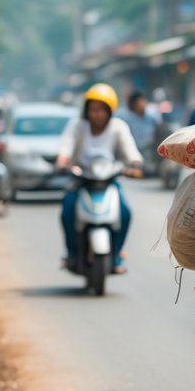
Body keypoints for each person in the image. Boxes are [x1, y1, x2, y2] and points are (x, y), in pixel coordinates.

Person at [55, 83, 143, 274]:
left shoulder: (118, 128)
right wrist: (62, 162)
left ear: (109, 111)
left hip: (108, 181)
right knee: (67, 210)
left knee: (125, 212)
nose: (97, 114)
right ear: (87, 110)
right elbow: (66, 148)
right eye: (93, 109)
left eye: (102, 110)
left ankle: (117, 254)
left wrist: (134, 165)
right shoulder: (77, 126)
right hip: (81, 180)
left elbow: (131, 154)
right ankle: (71, 253)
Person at [116, 90, 162, 173]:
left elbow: (159, 128)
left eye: (143, 101)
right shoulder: (125, 115)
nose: (142, 105)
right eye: (139, 103)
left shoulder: (152, 115)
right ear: (133, 104)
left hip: (148, 148)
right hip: (132, 147)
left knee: (149, 168)